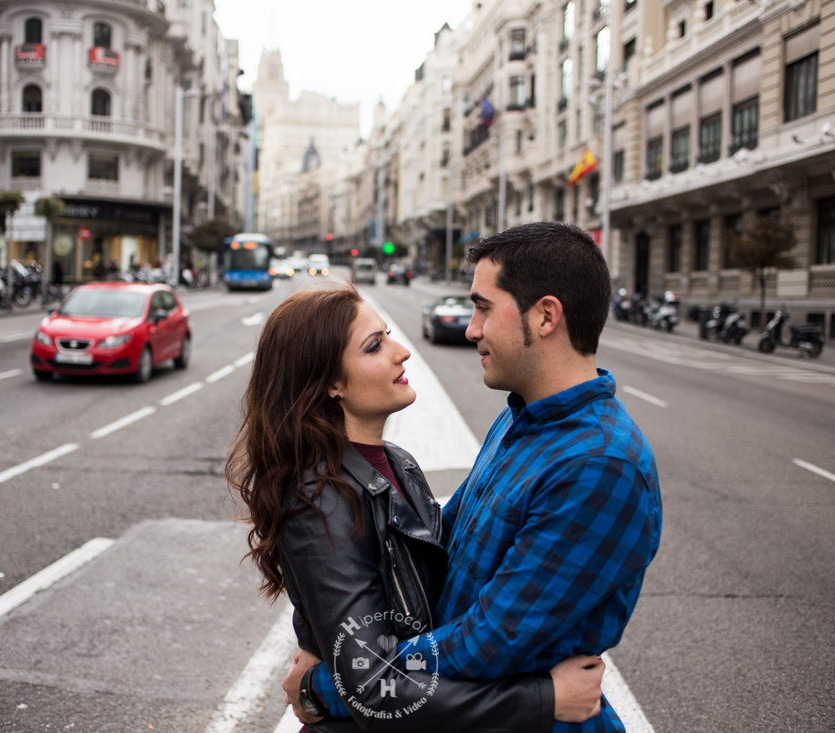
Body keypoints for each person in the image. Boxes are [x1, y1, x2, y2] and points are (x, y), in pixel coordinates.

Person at [288, 221, 663, 732]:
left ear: (546, 316)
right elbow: (442, 547)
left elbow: (490, 640)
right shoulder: (519, 419)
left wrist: (334, 686)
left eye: (484, 307)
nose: (471, 328)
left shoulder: (599, 465)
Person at [226, 286, 607, 732]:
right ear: (330, 383)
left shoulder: (398, 463)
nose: (402, 351)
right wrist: (545, 700)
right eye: (375, 346)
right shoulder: (321, 500)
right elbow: (372, 687)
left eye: (388, 335)